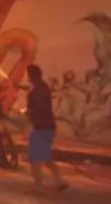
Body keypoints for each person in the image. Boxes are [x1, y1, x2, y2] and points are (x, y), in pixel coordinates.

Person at [25, 64, 68, 194]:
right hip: (49, 127)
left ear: (30, 75)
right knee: (47, 157)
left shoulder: (35, 91)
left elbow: (36, 109)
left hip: (40, 128)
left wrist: (28, 114)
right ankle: (59, 181)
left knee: (34, 160)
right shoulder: (43, 87)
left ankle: (39, 186)